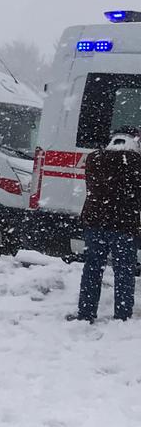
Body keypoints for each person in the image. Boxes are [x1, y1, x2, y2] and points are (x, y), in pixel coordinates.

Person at [71, 129, 141, 324]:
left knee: (92, 268)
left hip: (95, 223)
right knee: (124, 271)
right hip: (124, 226)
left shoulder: (94, 159)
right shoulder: (135, 163)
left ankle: (86, 313)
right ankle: (122, 315)